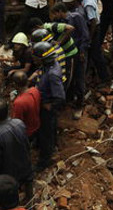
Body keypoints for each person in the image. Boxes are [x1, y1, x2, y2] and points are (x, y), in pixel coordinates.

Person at [0, 97, 34, 203]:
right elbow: (26, 144)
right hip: (25, 165)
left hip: (11, 172)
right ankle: (30, 199)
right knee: (28, 181)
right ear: (8, 111)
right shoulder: (19, 123)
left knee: (11, 192)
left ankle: (17, 203)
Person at [50, 2, 89, 119]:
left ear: (60, 12)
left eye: (54, 14)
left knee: (79, 78)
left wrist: (82, 51)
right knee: (70, 77)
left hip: (79, 53)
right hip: (69, 54)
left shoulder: (76, 17)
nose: (53, 17)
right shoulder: (61, 23)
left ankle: (79, 104)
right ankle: (70, 99)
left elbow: (85, 35)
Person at [32, 41, 65, 170]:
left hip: (47, 107)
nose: (33, 59)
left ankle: (44, 160)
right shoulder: (48, 65)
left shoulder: (52, 75)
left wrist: (50, 106)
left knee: (47, 132)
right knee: (46, 129)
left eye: (36, 58)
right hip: (43, 102)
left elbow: (60, 97)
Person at [11, 71, 40, 137]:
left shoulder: (19, 103)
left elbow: (17, 123)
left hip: (27, 132)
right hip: (37, 125)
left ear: (15, 84)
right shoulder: (35, 90)